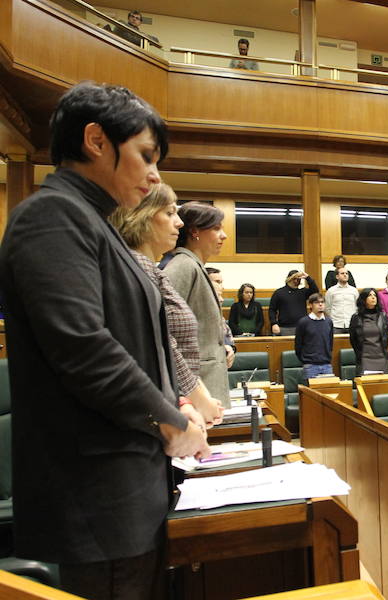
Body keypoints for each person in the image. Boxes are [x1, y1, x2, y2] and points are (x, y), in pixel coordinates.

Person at [0, 82, 210, 599]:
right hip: (96, 496)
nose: (154, 174)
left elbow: (134, 338)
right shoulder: (51, 217)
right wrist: (169, 417)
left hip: (126, 488)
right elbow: (83, 349)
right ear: (96, 140)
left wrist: (174, 398)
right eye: (145, 156)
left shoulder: (96, 222)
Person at [109, 183, 224, 427]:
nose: (179, 222)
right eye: (170, 213)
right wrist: (194, 396)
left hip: (180, 401)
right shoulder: (139, 268)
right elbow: (161, 341)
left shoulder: (150, 267)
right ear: (142, 217)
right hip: (162, 409)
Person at [164, 201, 230, 403]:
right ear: (194, 232)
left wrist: (224, 346)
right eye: (216, 228)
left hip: (207, 380)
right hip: (195, 385)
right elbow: (163, 324)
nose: (224, 235)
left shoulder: (194, 266)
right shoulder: (183, 266)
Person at [349, 288, 388, 375]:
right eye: (370, 295)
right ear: (364, 299)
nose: (373, 298)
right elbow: (353, 340)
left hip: (381, 356)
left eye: (375, 295)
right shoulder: (356, 318)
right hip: (365, 357)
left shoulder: (383, 316)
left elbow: (386, 337)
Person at [294, 293, 334, 377]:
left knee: (330, 389)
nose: (320, 304)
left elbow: (330, 343)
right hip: (310, 366)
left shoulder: (328, 321)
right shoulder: (303, 322)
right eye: (317, 302)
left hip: (326, 365)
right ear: (310, 305)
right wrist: (305, 360)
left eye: (322, 302)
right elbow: (298, 345)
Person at [269, 269, 318, 337]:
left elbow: (315, 291)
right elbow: (272, 310)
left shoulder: (302, 292)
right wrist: (274, 323)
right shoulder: (279, 293)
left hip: (302, 327)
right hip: (285, 328)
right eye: (294, 278)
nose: (296, 281)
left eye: (298, 279)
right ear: (289, 279)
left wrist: (307, 278)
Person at [325, 266, 359, 333]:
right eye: (342, 273)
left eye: (346, 273)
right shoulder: (331, 291)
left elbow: (357, 306)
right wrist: (333, 317)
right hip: (336, 325)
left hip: (351, 324)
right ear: (337, 276)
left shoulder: (354, 290)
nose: (345, 275)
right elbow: (327, 307)